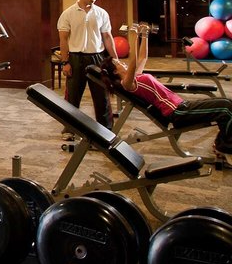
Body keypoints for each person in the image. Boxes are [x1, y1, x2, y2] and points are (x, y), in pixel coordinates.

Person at [99, 23, 232, 167]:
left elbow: (142, 57)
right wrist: (134, 37)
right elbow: (134, 62)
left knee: (228, 103)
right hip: (177, 112)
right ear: (114, 71)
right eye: (118, 63)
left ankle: (221, 143)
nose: (122, 63)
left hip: (182, 105)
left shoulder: (136, 76)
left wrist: (145, 35)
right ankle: (224, 148)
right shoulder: (127, 83)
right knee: (225, 109)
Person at [57, 0, 118, 137]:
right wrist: (65, 62)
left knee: (102, 97)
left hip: (97, 58)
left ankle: (106, 130)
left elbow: (107, 37)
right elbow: (63, 40)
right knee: (72, 96)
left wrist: (115, 59)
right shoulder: (68, 13)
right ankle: (70, 128)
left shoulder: (101, 13)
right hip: (75, 58)